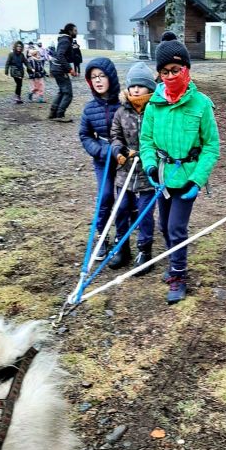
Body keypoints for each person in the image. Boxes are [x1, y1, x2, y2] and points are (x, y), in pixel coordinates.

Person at [140, 31, 220, 305]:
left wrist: (197, 180)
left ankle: (178, 275)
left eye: (176, 70)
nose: (170, 76)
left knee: (176, 227)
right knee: (164, 225)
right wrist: (150, 167)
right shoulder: (154, 104)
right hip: (162, 177)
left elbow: (211, 146)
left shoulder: (202, 104)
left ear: (186, 69)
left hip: (187, 179)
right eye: (165, 71)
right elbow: (146, 141)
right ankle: (174, 260)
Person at [109, 62, 157, 272]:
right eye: (132, 86)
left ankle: (145, 251)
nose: (136, 90)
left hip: (147, 172)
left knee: (145, 213)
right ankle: (122, 247)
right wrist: (118, 150)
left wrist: (150, 156)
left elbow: (159, 138)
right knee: (121, 209)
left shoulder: (155, 110)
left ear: (150, 88)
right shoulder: (121, 112)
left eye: (141, 86)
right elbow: (115, 136)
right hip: (125, 170)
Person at [79, 58, 121, 260]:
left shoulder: (123, 104)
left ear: (110, 77)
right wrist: (99, 151)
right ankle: (102, 235)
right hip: (103, 159)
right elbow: (85, 135)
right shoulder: (89, 109)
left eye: (102, 76)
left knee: (125, 199)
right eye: (93, 77)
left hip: (123, 159)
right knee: (105, 196)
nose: (97, 80)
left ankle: (122, 235)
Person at [49, 24, 77, 122]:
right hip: (60, 69)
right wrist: (70, 69)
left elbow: (64, 55)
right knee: (68, 93)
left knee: (62, 91)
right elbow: (60, 55)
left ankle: (53, 112)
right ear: (70, 31)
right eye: (75, 30)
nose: (76, 32)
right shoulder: (65, 40)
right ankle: (60, 114)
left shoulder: (64, 39)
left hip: (56, 68)